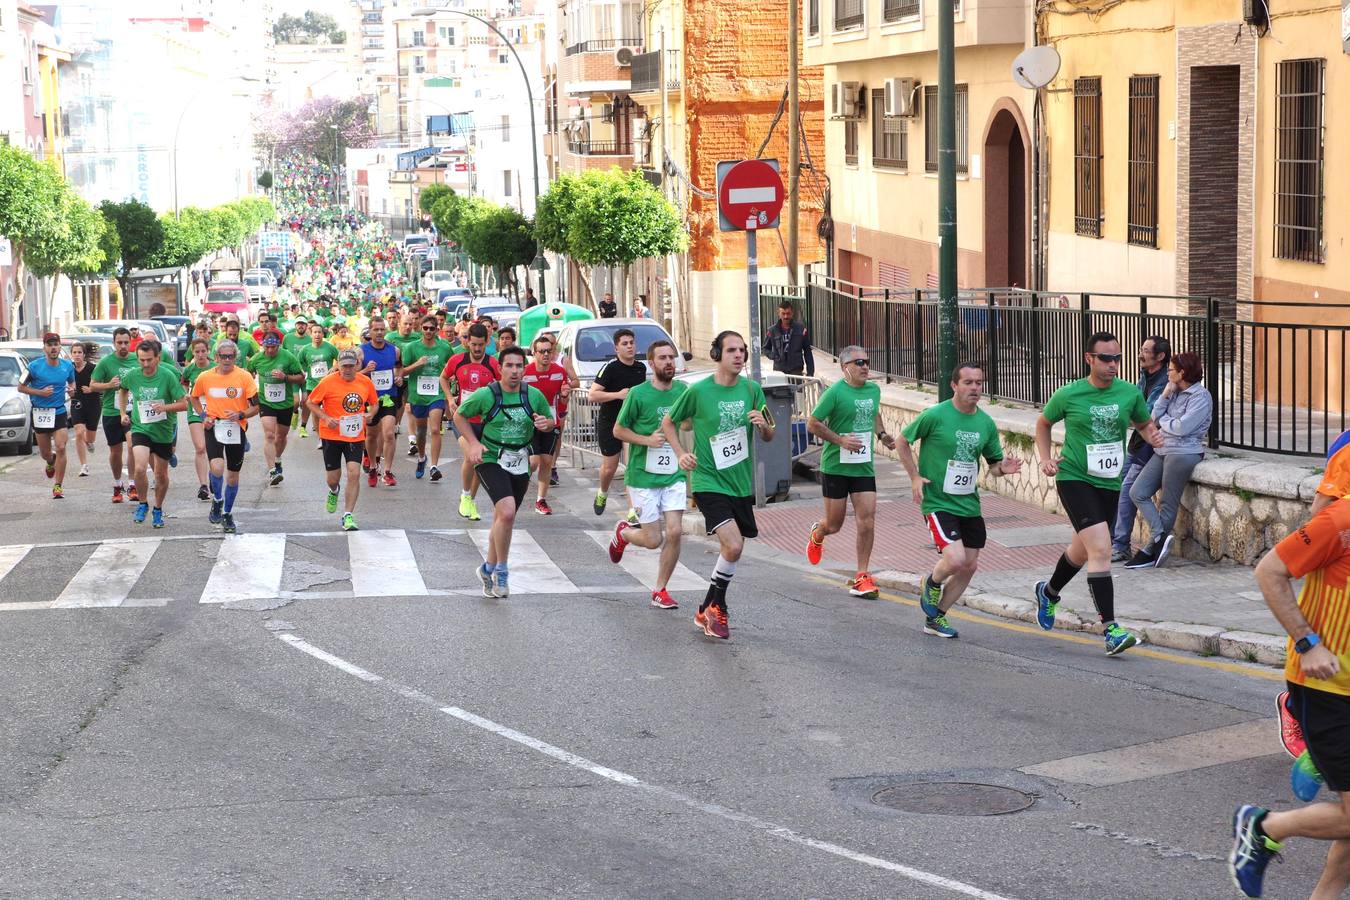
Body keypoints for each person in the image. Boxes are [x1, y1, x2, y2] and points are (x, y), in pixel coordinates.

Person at [1228, 500, 1350, 900]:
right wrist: (1307, 643)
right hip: (1327, 688)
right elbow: (1270, 570)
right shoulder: (1341, 520)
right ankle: (1264, 828)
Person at [1032, 331, 1163, 655]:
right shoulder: (1069, 394)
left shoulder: (1129, 392)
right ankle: (1111, 630)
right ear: (1089, 359)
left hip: (1108, 481)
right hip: (1075, 478)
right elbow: (1043, 424)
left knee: (1081, 551)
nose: (1113, 364)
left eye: (1117, 358)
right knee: (1101, 549)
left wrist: (1153, 437)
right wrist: (1046, 459)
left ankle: (1048, 593)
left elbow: (1143, 423)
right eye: (1105, 358)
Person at [660, 331, 774, 640]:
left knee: (732, 550)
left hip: (739, 482)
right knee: (734, 544)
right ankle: (718, 608)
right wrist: (681, 453)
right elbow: (669, 422)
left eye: (743, 351)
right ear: (717, 355)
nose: (739, 355)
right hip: (708, 480)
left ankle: (705, 607)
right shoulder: (699, 392)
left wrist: (763, 426)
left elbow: (770, 434)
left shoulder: (752, 390)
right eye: (732, 350)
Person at [896, 364, 1022, 637]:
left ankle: (937, 617)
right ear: (954, 385)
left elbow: (994, 465)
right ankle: (931, 582)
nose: (975, 388)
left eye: (978, 382)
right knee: (954, 560)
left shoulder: (985, 423)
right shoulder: (936, 415)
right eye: (968, 382)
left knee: (970, 566)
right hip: (939, 502)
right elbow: (902, 441)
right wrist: (914, 477)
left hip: (969, 504)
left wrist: (1004, 469)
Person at [453, 346, 554, 598]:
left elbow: (550, 421)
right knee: (507, 511)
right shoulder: (486, 395)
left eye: (519, 366)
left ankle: (487, 568)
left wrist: (545, 423)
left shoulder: (534, 396)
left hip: (519, 459)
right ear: (500, 368)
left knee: (504, 518)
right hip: (490, 458)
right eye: (509, 365)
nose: (515, 371)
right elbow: (459, 416)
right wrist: (474, 444)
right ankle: (502, 570)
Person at [804, 346, 897, 600]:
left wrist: (882, 435)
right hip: (835, 466)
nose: (865, 366)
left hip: (863, 466)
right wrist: (840, 440)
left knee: (867, 520)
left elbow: (873, 413)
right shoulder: (835, 393)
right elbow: (812, 423)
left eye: (867, 361)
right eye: (859, 362)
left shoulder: (873, 390)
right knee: (834, 524)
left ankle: (862, 575)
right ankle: (818, 533)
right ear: (846, 367)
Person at [608, 340, 689, 609]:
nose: (669, 362)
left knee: (676, 532)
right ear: (651, 364)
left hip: (673, 473)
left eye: (672, 358)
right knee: (653, 540)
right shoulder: (638, 394)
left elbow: (688, 422)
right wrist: (646, 440)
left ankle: (660, 590)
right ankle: (623, 534)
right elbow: (618, 431)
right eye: (663, 358)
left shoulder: (682, 391)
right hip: (643, 476)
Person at [1125, 351, 1212, 569]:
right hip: (1163, 449)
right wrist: (1164, 394)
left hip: (1184, 453)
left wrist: (1164, 422)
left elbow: (1183, 427)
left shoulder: (1200, 397)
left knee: (1167, 503)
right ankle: (1158, 535)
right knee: (1137, 492)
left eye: (1171, 370)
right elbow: (1152, 418)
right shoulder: (1172, 391)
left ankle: (1151, 551)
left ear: (1182, 372)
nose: (1168, 373)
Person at [1111, 336, 1171, 562]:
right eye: (1140, 349)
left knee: (1128, 491)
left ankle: (1120, 544)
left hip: (1150, 446)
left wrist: (1121, 413)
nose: (1140, 354)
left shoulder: (1164, 380)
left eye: (1145, 351)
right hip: (1137, 444)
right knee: (1118, 487)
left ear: (1160, 356)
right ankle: (1115, 540)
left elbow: (1144, 414)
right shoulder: (1145, 376)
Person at [117, 340, 188, 529]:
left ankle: (158, 508)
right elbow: (122, 391)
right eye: (141, 360)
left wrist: (164, 407)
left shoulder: (168, 376)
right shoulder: (132, 375)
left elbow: (183, 404)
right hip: (141, 428)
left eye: (149, 360)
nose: (145, 364)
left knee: (161, 474)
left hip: (163, 431)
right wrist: (123, 413)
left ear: (158, 358)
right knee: (140, 468)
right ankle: (143, 504)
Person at [190, 339, 259, 533]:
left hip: (236, 428)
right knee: (217, 467)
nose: (227, 360)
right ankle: (217, 500)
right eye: (223, 356)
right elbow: (194, 397)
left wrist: (242, 414)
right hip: (214, 425)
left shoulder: (244, 377)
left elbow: (256, 406)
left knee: (233, 477)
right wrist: (203, 416)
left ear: (235, 357)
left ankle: (228, 513)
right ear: (217, 357)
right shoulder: (205, 377)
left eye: (230, 356)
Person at [307, 348, 379, 532]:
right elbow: (310, 402)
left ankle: (348, 515)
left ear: (357, 365)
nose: (347, 369)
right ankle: (334, 491)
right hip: (331, 435)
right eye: (344, 366)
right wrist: (325, 417)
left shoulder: (365, 382)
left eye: (350, 365)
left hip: (354, 435)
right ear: (338, 365)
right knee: (333, 478)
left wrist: (371, 413)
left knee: (354, 472)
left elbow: (375, 402)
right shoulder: (328, 382)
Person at [442, 323, 502, 521]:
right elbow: (443, 378)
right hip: (463, 418)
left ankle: (470, 499)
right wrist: (451, 399)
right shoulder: (456, 360)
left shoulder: (493, 364)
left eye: (480, 345)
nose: (476, 349)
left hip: (484, 420)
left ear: (487, 342)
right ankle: (465, 495)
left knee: (480, 460)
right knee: (471, 456)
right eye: (473, 344)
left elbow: (503, 386)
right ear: (467, 342)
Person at [587, 328, 648, 516]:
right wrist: (618, 395)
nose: (630, 346)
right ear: (616, 348)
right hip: (610, 422)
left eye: (632, 342)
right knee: (610, 468)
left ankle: (632, 510)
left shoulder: (641, 368)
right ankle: (602, 492)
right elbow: (592, 395)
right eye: (625, 343)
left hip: (632, 424)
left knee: (632, 468)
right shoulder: (610, 368)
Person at [522, 333, 577, 514]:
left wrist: (564, 395)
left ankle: (541, 500)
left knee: (546, 461)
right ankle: (517, 485)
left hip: (551, 423)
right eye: (542, 352)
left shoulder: (559, 371)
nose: (546, 355)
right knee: (533, 462)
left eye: (549, 351)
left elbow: (562, 399)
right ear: (534, 353)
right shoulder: (526, 372)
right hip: (530, 424)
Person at [18, 332, 76, 499]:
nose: (53, 348)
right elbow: (20, 387)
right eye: (49, 345)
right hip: (40, 413)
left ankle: (58, 485)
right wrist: (40, 392)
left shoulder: (67, 365)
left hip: (58, 411)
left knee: (61, 446)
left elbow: (72, 382)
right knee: (45, 453)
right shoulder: (33, 367)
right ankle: (51, 462)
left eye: (55, 344)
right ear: (44, 348)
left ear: (59, 346)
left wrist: (72, 389)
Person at [246, 332, 305, 486]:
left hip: (285, 403)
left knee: (281, 436)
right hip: (266, 402)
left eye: (273, 347)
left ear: (278, 345)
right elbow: (248, 375)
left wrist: (285, 377)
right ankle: (272, 471)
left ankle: (277, 458)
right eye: (267, 347)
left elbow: (301, 377)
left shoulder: (288, 357)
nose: (270, 350)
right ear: (262, 345)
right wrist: (251, 390)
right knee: (270, 434)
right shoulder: (256, 359)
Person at [401, 314, 454, 481]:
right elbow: (401, 372)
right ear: (421, 329)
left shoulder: (444, 347)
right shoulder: (411, 348)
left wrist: (451, 376)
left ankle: (434, 466)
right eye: (425, 328)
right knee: (422, 432)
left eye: (432, 328)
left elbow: (452, 365)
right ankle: (422, 457)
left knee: (435, 429)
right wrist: (417, 364)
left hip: (436, 394)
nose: (429, 331)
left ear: (437, 330)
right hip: (418, 395)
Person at [90, 327, 140, 503]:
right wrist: (109, 385)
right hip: (111, 411)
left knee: (133, 445)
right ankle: (118, 484)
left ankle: (133, 484)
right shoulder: (106, 363)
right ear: (114, 343)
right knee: (116, 451)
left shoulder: (137, 359)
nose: (123, 346)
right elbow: (93, 385)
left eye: (126, 342)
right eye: (120, 343)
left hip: (133, 411)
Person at [357, 316, 403, 487]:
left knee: (389, 433)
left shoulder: (394, 350)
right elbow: (352, 376)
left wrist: (398, 378)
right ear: (369, 331)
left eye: (382, 329)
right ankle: (373, 467)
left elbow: (399, 367)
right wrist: (366, 370)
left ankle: (388, 471)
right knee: (371, 435)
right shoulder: (361, 351)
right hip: (369, 399)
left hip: (389, 397)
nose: (379, 333)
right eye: (375, 329)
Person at [180, 337, 214, 501]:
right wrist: (187, 394)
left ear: (208, 351)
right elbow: (184, 383)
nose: (200, 355)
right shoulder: (189, 370)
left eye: (203, 351)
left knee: (214, 448)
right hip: (195, 410)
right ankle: (203, 485)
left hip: (215, 411)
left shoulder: (215, 368)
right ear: (192, 353)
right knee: (200, 448)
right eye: (197, 352)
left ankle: (215, 476)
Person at [296, 324, 337, 439]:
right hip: (312, 385)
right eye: (315, 332)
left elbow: (340, 359)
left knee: (330, 410)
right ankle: (321, 437)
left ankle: (331, 433)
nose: (317, 334)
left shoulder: (329, 347)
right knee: (315, 412)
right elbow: (299, 363)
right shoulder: (305, 349)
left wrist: (335, 367)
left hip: (328, 384)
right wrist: (303, 371)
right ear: (311, 334)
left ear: (323, 334)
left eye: (319, 332)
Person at [69, 341, 99, 479]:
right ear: (71, 354)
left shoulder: (93, 368)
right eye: (74, 352)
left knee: (89, 437)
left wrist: (92, 389)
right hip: (77, 403)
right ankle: (84, 465)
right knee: (79, 432)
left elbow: (101, 385)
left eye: (79, 352)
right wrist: (69, 391)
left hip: (93, 404)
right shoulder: (69, 368)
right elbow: (65, 382)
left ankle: (89, 442)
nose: (77, 355)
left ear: (84, 354)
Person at [762, 300, 814, 377]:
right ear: (779, 314)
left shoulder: (801, 329)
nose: (786, 316)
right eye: (783, 314)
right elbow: (765, 349)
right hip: (779, 371)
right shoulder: (772, 330)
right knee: (780, 389)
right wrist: (774, 356)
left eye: (788, 314)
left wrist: (810, 372)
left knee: (797, 389)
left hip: (796, 370)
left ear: (792, 313)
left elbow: (807, 351)